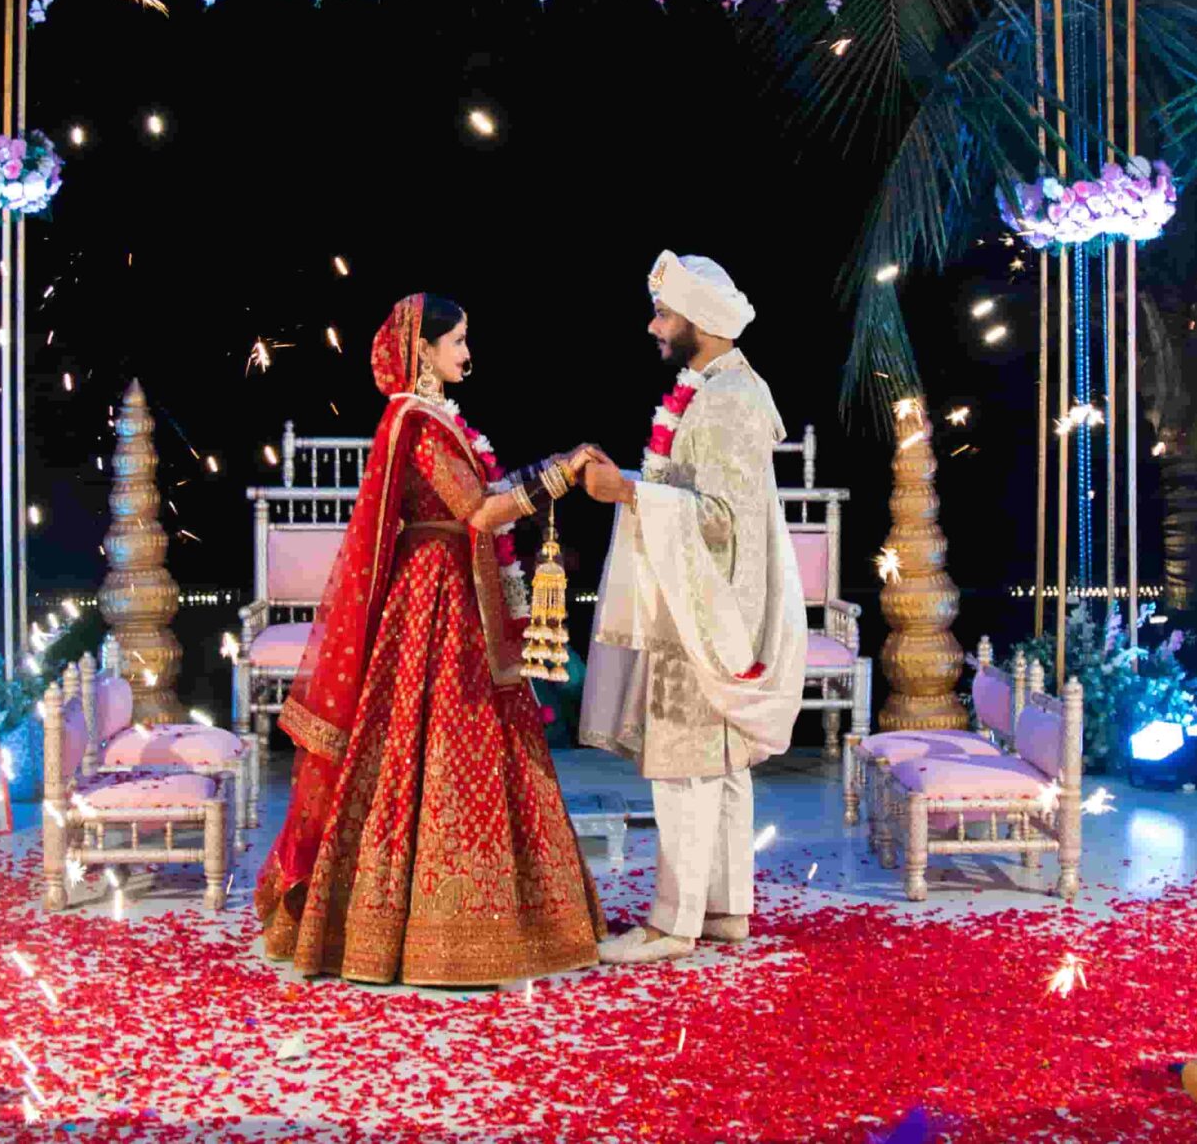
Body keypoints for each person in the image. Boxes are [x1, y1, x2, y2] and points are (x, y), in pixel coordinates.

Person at [255, 293, 606, 985]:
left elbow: (489, 496)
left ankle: (497, 917)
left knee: (469, 748)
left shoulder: (442, 421)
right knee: (440, 745)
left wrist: (551, 468)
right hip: (432, 607)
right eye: (459, 341)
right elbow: (478, 510)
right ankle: (417, 930)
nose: (467, 354)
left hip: (460, 592)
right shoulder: (414, 422)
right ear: (424, 348)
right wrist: (562, 473)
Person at [578, 252, 807, 964]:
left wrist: (628, 494)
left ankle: (672, 923)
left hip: (709, 610)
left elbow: (721, 520)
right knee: (720, 760)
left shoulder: (731, 400)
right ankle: (724, 907)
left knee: (683, 758)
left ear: (700, 322)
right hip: (705, 598)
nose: (655, 326)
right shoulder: (710, 388)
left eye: (664, 314)